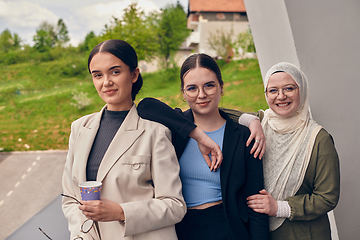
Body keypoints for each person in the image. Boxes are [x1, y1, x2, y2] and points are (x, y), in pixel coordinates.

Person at [62, 39, 189, 240]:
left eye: (115, 72)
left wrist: (121, 212)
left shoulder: (155, 133)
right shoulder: (79, 128)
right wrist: (81, 235)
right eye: (98, 75)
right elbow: (70, 198)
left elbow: (175, 205)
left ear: (134, 75)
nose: (106, 82)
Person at [137, 53, 269, 240]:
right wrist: (197, 134)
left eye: (209, 85)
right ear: (183, 93)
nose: (201, 95)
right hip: (180, 228)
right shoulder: (175, 128)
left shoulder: (243, 136)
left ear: (221, 87)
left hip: (227, 228)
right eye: (192, 88)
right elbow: (145, 106)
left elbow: (256, 204)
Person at [242, 62, 340, 239]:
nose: (281, 96)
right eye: (273, 90)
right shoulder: (260, 122)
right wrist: (251, 120)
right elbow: (219, 114)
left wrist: (280, 207)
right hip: (260, 231)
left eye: (289, 88)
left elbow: (327, 197)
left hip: (303, 233)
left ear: (301, 90)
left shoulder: (318, 139)